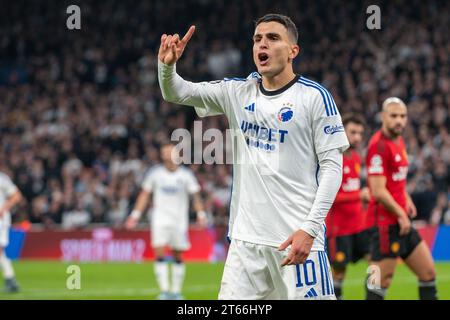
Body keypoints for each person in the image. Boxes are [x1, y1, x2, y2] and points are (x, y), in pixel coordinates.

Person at [158, 13, 349, 299]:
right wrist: (167, 68)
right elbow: (178, 93)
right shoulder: (237, 91)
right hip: (246, 245)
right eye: (258, 39)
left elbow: (333, 168)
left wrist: (310, 230)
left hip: (296, 240)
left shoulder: (313, 97)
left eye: (273, 38)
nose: (263, 45)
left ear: (293, 51)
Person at [365, 97, 438, 300]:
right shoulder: (378, 146)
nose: (399, 121)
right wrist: (401, 214)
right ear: (383, 117)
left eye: (403, 116)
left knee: (428, 272)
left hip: (400, 220)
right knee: (381, 280)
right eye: (394, 116)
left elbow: (395, 180)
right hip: (384, 224)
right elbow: (378, 190)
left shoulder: (399, 140)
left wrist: (407, 199)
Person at [125, 142, 207, 300]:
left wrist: (201, 214)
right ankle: (164, 292)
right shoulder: (155, 174)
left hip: (179, 221)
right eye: (164, 152)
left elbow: (195, 196)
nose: (167, 155)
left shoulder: (185, 175)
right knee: (160, 252)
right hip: (160, 219)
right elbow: (144, 195)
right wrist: (135, 215)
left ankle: (176, 292)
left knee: (178, 254)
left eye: (170, 151)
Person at [325, 113, 371, 299]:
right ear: (342, 131)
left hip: (360, 226)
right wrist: (358, 195)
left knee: (376, 263)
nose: (357, 137)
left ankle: (373, 296)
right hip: (339, 230)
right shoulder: (333, 159)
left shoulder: (356, 158)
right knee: (339, 274)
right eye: (353, 132)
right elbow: (330, 197)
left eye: (360, 133)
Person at [0, 171, 22, 293]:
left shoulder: (2, 179)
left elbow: (16, 195)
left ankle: (10, 279)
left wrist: (3, 208)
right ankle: (10, 279)